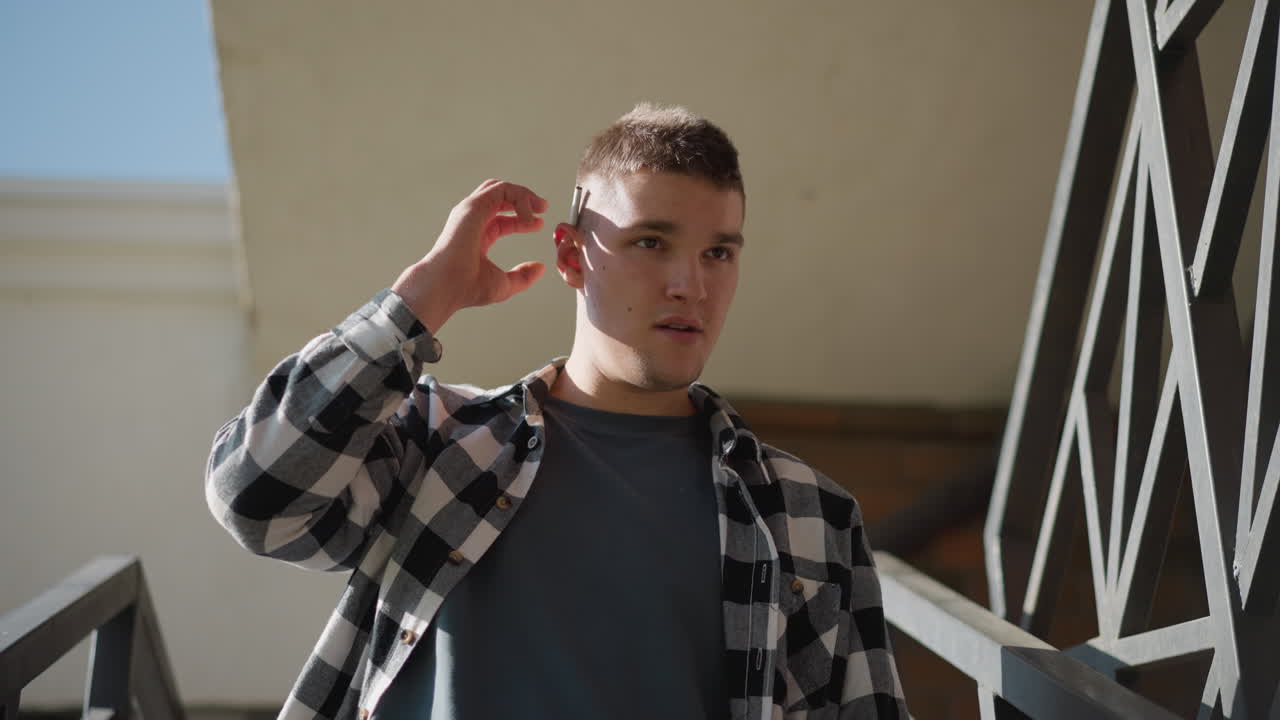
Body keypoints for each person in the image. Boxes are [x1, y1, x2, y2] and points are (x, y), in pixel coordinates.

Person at [206, 103, 908, 720]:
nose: (690, 284)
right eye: (651, 243)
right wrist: (416, 307)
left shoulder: (810, 516)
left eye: (718, 252)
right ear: (571, 258)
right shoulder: (440, 442)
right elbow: (259, 498)